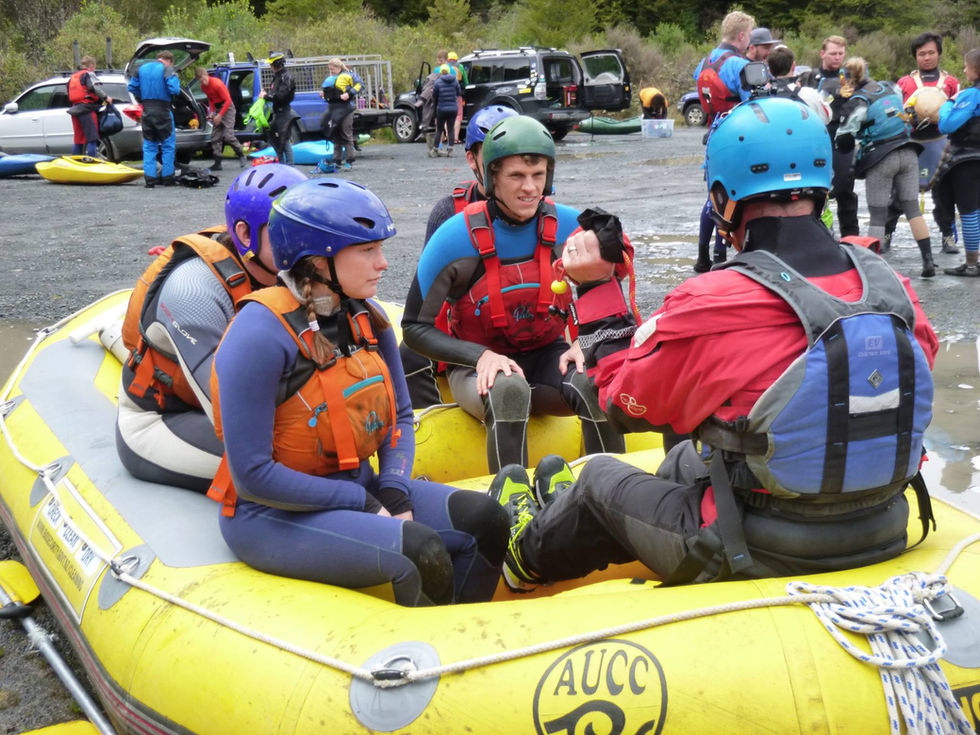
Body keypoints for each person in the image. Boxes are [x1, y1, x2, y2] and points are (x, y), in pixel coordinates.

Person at [488, 96, 938, 593]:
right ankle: (573, 516)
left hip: (760, 543)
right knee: (686, 460)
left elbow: (623, 402)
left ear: (723, 199)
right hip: (885, 520)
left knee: (597, 480)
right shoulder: (892, 285)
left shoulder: (713, 300)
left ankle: (521, 558)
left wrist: (595, 290)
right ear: (822, 188)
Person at [207, 178, 509, 607]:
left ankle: (462, 638)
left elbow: (402, 418)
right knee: (420, 551)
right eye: (367, 250)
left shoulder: (367, 319)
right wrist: (363, 502)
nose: (383, 263)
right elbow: (252, 477)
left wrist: (393, 489)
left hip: (360, 487)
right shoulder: (256, 336)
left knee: (489, 520)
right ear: (317, 260)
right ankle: (428, 655)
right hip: (271, 515)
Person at [401, 116, 627, 472]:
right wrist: (480, 357)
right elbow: (414, 327)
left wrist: (583, 342)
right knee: (508, 389)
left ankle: (614, 490)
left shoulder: (570, 227)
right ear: (492, 178)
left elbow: (607, 293)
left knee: (593, 381)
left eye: (538, 176)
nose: (530, 188)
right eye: (517, 176)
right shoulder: (453, 236)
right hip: (474, 367)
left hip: (545, 356)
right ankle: (511, 504)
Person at [116, 165, 308, 490]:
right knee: (304, 458)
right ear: (246, 234)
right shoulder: (194, 292)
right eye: (289, 231)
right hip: (163, 419)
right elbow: (233, 413)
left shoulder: (284, 266)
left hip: (234, 399)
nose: (308, 244)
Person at [400, 105, 520, 408]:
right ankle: (436, 421)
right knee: (409, 354)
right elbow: (430, 297)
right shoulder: (448, 213)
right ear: (472, 160)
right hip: (468, 328)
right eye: (494, 156)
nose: (506, 168)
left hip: (525, 325)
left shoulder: (543, 211)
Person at [834, 57, 935, 277]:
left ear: (847, 78)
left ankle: (875, 271)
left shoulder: (858, 100)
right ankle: (928, 261)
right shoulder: (890, 87)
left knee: (878, 215)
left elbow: (844, 139)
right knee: (912, 209)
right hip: (908, 151)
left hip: (881, 157)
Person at [887, 32, 962, 255]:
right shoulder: (905, 83)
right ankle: (886, 233)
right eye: (921, 54)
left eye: (931, 53)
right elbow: (895, 114)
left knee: (944, 193)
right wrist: (908, 117)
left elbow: (958, 113)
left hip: (941, 144)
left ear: (939, 54)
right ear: (915, 56)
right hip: (912, 143)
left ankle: (948, 236)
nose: (927, 57)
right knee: (900, 192)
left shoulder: (951, 83)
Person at [692, 10, 755, 273]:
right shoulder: (738, 66)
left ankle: (703, 256)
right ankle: (720, 255)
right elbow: (755, 105)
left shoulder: (703, 63)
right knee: (729, 197)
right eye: (749, 35)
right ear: (742, 36)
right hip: (736, 137)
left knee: (712, 198)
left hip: (713, 136)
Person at [799, 36, 858, 237]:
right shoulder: (809, 77)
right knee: (815, 188)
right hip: (817, 138)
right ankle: (816, 235)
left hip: (843, 137)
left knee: (845, 190)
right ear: (822, 53)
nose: (837, 57)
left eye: (841, 53)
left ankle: (852, 239)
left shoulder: (850, 77)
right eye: (833, 53)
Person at [937, 47, 980, 277]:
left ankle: (972, 264)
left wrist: (946, 105)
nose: (964, 70)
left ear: (975, 69)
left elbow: (947, 125)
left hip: (968, 160)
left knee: (969, 211)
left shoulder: (971, 94)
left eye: (966, 66)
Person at [128, 50, 180, 188]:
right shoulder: (167, 69)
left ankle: (150, 179)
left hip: (146, 111)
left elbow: (132, 87)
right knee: (168, 146)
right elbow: (174, 89)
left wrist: (142, 98)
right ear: (169, 60)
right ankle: (168, 178)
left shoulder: (141, 69)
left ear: (159, 58)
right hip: (163, 111)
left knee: (149, 146)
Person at [195, 67, 247, 171]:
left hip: (228, 109)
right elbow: (211, 99)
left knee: (228, 136)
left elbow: (228, 100)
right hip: (218, 109)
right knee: (215, 137)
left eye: (204, 79)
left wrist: (220, 115)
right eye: (200, 81)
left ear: (206, 75)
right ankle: (217, 163)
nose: (203, 82)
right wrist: (212, 112)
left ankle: (241, 154)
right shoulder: (203, 87)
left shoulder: (217, 84)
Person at [320, 58, 362, 170]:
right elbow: (329, 92)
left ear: (338, 68)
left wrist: (349, 94)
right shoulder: (331, 79)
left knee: (346, 133)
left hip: (346, 109)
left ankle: (350, 160)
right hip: (334, 109)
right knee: (336, 134)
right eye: (329, 70)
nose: (331, 72)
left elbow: (360, 85)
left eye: (332, 69)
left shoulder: (348, 75)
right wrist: (323, 94)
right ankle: (337, 160)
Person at [67, 55, 111, 157]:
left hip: (75, 110)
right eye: (94, 67)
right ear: (91, 65)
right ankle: (93, 163)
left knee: (78, 139)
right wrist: (105, 97)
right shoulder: (88, 74)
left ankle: (75, 163)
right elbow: (93, 88)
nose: (94, 70)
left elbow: (68, 93)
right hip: (87, 109)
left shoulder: (73, 77)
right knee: (92, 138)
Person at [262, 52, 297, 165]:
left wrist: (266, 96)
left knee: (284, 140)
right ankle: (282, 164)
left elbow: (281, 96)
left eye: (271, 64)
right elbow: (274, 91)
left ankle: (290, 166)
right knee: (275, 139)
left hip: (285, 112)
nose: (270, 66)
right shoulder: (277, 76)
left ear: (277, 64)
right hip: (277, 112)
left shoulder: (287, 77)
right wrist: (266, 92)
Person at [433, 64, 462, 157]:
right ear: (449, 72)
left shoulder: (437, 82)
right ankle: (450, 149)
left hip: (441, 109)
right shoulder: (455, 81)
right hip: (453, 109)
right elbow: (459, 93)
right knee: (450, 129)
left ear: (441, 72)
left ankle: (436, 149)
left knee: (440, 129)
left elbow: (435, 96)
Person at [447, 51, 469, 143]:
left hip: (447, 95)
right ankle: (455, 138)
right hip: (457, 94)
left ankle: (448, 138)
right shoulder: (460, 67)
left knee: (448, 116)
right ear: (456, 59)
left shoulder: (445, 67)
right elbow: (466, 82)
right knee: (458, 116)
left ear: (448, 59)